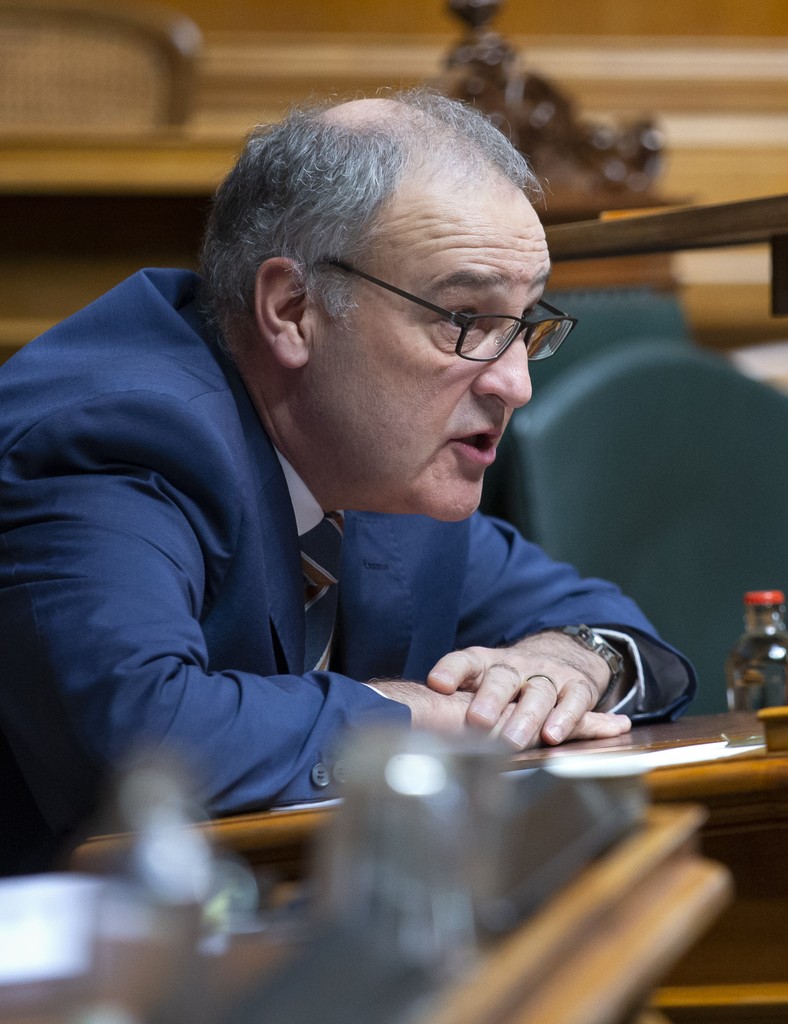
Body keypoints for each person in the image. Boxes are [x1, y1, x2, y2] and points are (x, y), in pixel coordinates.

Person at [0, 90, 695, 875]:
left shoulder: (381, 463)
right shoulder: (118, 436)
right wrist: (418, 716)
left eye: (524, 325)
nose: (515, 383)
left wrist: (571, 664)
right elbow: (138, 739)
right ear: (293, 309)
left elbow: (615, 629)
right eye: (465, 320)